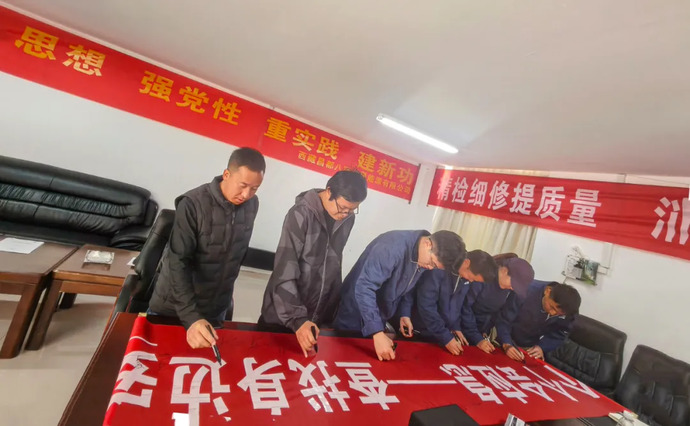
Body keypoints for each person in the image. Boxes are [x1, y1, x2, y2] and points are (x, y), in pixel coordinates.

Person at [148, 147, 265, 350]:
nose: (247, 194)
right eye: (243, 185)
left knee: (204, 366)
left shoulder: (252, 205)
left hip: (215, 308)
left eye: (254, 188)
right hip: (174, 307)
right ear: (226, 174)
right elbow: (178, 262)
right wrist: (191, 317)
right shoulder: (192, 204)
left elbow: (235, 255)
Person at [259, 170, 368, 357]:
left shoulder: (347, 219)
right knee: (269, 362)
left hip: (314, 316)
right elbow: (285, 269)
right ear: (329, 191)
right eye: (342, 208)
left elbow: (333, 265)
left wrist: (330, 312)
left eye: (352, 210)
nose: (345, 214)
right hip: (284, 314)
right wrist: (297, 319)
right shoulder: (300, 214)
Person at [333, 230, 466, 361]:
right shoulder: (392, 247)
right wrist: (376, 332)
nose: (431, 268)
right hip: (355, 310)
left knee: (369, 362)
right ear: (428, 244)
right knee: (344, 358)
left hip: (377, 315)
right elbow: (365, 287)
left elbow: (407, 285)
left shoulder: (421, 255)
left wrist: (404, 314)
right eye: (432, 262)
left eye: (435, 267)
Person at [411, 250, 497, 355]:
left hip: (438, 334)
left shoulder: (463, 277)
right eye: (471, 277)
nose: (470, 281)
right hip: (419, 331)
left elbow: (456, 306)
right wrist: (446, 337)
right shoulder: (439, 268)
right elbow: (427, 306)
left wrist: (455, 327)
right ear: (467, 263)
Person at [461, 256, 534, 354]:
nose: (513, 288)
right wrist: (476, 337)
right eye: (514, 284)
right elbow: (464, 307)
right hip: (460, 330)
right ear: (505, 271)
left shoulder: (509, 290)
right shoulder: (483, 276)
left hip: (479, 334)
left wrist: (506, 343)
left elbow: (501, 317)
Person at [497, 281, 581, 361]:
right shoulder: (524, 290)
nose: (552, 313)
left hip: (528, 345)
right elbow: (504, 320)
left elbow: (560, 333)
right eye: (552, 307)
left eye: (559, 314)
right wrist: (506, 343)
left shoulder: (569, 311)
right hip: (502, 336)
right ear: (547, 291)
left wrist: (542, 347)